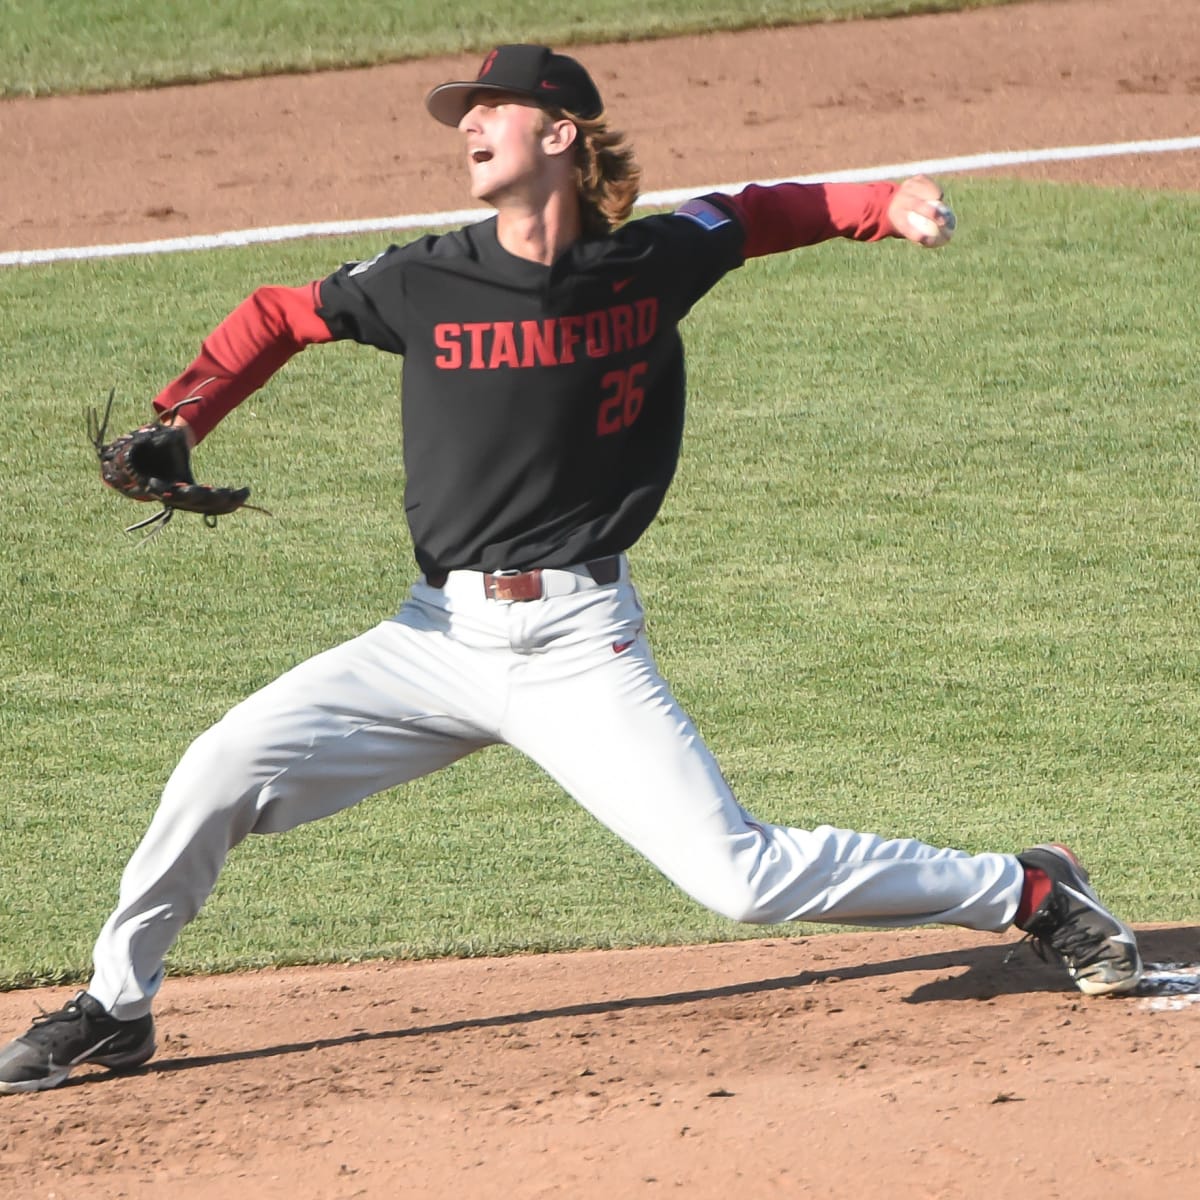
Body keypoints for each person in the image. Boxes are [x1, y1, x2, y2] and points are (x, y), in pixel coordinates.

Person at [0, 44, 1142, 1095]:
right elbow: (280, 313)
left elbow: (758, 213)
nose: (467, 126)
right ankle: (116, 1001)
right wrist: (186, 414)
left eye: (490, 109)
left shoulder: (646, 263)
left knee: (738, 879)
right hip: (429, 643)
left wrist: (885, 204)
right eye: (463, 114)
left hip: (579, 644)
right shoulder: (428, 278)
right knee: (216, 770)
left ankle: (1029, 889)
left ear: (561, 134)